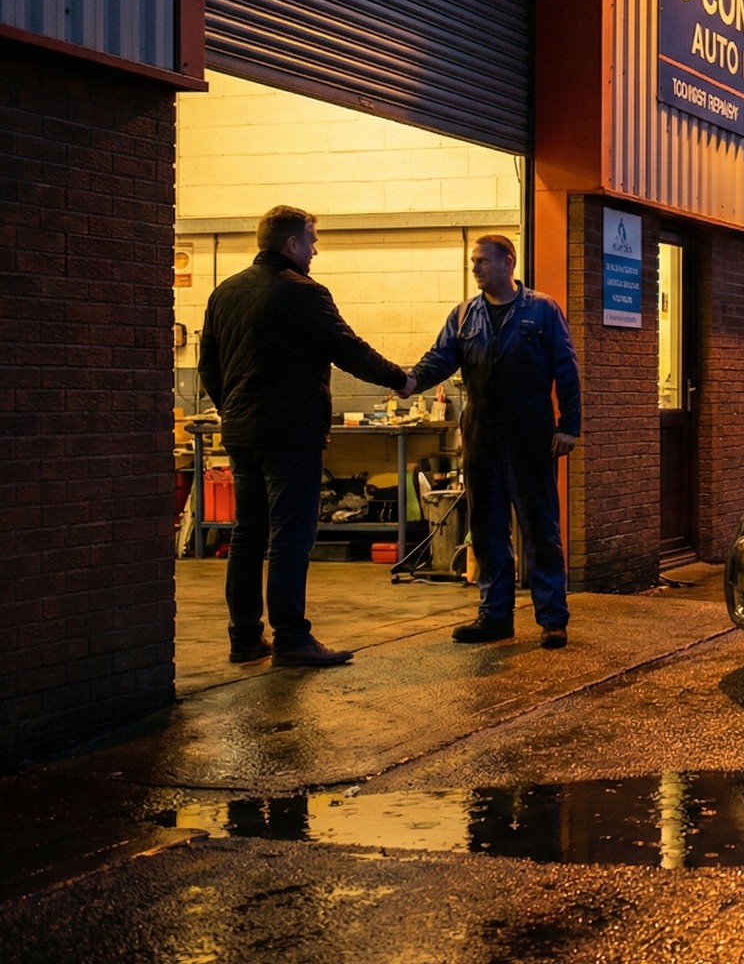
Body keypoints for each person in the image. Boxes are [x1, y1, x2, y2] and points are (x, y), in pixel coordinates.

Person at [198, 206, 410, 667]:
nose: (315, 249)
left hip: (241, 432)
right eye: (311, 240)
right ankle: (292, 638)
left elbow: (208, 367)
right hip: (290, 434)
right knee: (291, 536)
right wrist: (401, 379)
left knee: (247, 535)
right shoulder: (305, 293)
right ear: (291, 244)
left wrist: (233, 409)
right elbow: (347, 349)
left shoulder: (223, 293)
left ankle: (244, 638)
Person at [407, 234, 581, 649]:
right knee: (486, 529)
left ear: (509, 262)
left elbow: (567, 369)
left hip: (531, 434)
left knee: (540, 529)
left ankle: (552, 619)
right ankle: (494, 615)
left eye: (483, 260)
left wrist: (569, 426)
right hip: (481, 434)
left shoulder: (542, 310)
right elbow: (439, 359)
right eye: (473, 262)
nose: (475, 268)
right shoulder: (464, 315)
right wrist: (408, 381)